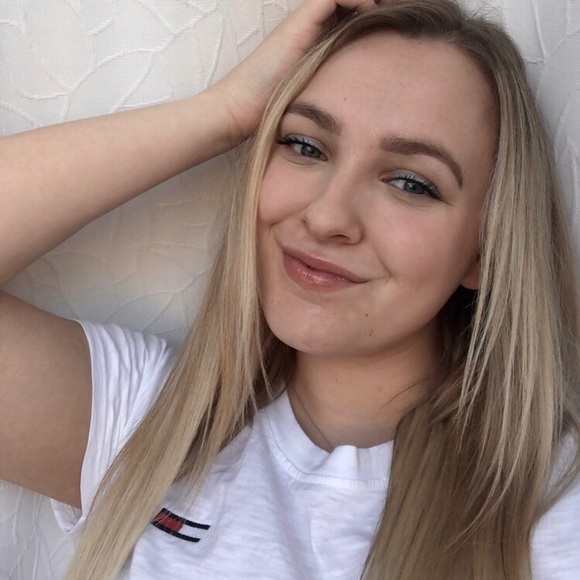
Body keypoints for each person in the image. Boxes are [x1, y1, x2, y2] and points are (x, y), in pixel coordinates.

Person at [1, 0, 579, 578]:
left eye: (410, 183)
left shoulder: (553, 510)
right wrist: (224, 113)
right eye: (305, 146)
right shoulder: (150, 425)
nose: (327, 217)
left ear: (485, 249)